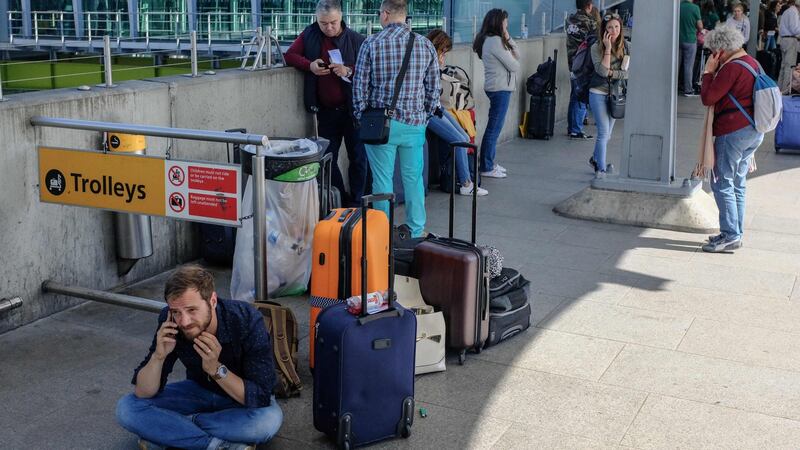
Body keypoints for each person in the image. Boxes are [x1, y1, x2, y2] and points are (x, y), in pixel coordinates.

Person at [116, 265, 282, 449]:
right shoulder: (170, 320)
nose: (184, 321)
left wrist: (217, 369)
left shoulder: (246, 319)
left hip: (240, 400)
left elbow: (259, 396)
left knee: (266, 423)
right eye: (177, 312)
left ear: (212, 300)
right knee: (127, 408)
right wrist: (158, 356)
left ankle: (174, 430)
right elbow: (143, 392)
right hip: (198, 390)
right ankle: (216, 445)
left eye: (192, 310)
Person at [352, 0, 440, 238]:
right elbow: (433, 88)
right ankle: (415, 229)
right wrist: (424, 116)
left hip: (380, 125)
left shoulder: (371, 43)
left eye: (380, 13)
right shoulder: (424, 45)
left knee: (382, 180)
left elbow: (359, 87)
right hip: (414, 124)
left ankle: (382, 233)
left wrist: (362, 116)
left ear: (386, 14)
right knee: (413, 179)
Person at [284, 0, 368, 207]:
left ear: (341, 17)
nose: (329, 27)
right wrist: (310, 65)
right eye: (323, 23)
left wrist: (348, 70)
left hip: (354, 110)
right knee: (327, 158)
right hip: (326, 110)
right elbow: (290, 55)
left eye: (333, 22)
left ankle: (358, 203)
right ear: (317, 20)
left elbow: (369, 68)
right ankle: (340, 199)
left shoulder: (357, 39)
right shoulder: (310, 34)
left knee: (358, 158)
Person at [699, 26, 765, 252]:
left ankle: (729, 235)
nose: (712, 55)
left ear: (720, 50)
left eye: (713, 51)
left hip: (733, 131)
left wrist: (708, 72)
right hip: (753, 131)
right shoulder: (752, 63)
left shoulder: (731, 68)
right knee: (737, 183)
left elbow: (708, 98)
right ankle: (735, 233)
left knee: (722, 182)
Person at [425, 29, 488, 196]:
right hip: (429, 111)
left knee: (465, 138)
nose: (444, 56)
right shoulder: (426, 62)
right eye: (443, 52)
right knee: (459, 139)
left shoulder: (432, 62)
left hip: (437, 108)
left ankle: (467, 181)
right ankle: (466, 182)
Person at [473, 8, 520, 179]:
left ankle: (489, 162)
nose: (507, 25)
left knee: (494, 127)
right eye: (505, 22)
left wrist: (508, 38)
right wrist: (506, 41)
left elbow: (517, 55)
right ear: (498, 22)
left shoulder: (495, 40)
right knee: (494, 128)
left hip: (499, 87)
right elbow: (514, 65)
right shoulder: (494, 41)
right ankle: (486, 166)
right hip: (499, 89)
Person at [588, 13, 629, 179]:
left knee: (608, 134)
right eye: (610, 27)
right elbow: (603, 71)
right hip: (598, 92)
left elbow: (629, 74)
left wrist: (614, 73)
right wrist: (608, 49)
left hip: (615, 95)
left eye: (617, 27)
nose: (614, 30)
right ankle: (601, 170)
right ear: (604, 30)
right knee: (603, 132)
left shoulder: (627, 46)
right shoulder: (596, 47)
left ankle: (595, 159)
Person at [566, 0, 598, 140]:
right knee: (581, 96)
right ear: (589, 5)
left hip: (572, 61)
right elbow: (596, 42)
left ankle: (572, 128)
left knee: (574, 95)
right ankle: (576, 129)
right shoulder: (591, 22)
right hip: (584, 64)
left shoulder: (569, 19)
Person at [680, 0, 704, 97]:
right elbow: (700, 26)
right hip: (690, 40)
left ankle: (675, 86)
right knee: (688, 66)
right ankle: (688, 90)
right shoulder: (695, 8)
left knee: (676, 65)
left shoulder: (678, 7)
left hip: (677, 39)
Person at [778, 0, 800, 93]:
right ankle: (785, 90)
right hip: (791, 40)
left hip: (784, 40)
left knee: (783, 66)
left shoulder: (787, 11)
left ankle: (779, 88)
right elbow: (795, 29)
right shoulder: (794, 12)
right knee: (789, 67)